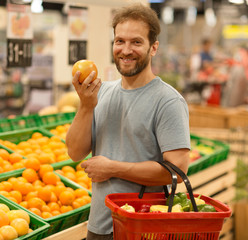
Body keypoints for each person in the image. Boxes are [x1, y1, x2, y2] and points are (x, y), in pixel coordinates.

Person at [66, 3, 191, 240]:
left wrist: (113, 168)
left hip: (143, 227)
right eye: (119, 41)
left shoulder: (168, 101)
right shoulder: (101, 92)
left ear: (153, 48)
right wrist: (85, 104)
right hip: (100, 223)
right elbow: (74, 152)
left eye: (136, 42)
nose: (126, 50)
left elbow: (176, 172)